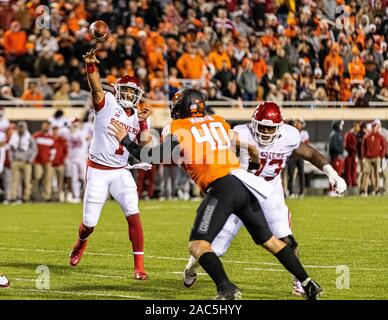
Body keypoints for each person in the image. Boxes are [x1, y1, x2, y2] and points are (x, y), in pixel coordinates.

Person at [110, 89, 323, 300]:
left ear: (180, 108)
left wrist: (125, 140)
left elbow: (150, 156)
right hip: (243, 183)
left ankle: (226, 287)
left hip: (221, 187)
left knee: (197, 245)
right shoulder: (219, 122)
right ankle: (308, 283)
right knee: (270, 240)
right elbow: (247, 145)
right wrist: (255, 159)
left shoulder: (177, 127)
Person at [181, 102, 346, 297]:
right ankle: (191, 266)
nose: (266, 131)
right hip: (239, 185)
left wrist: (332, 173)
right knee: (214, 246)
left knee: (285, 238)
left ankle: (300, 281)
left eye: (271, 127)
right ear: (253, 123)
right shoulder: (240, 133)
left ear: (280, 126)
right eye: (262, 126)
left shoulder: (289, 135)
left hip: (270, 189)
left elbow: (309, 153)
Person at [69, 48, 151, 280]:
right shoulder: (108, 103)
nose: (127, 95)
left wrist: (144, 124)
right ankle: (81, 242)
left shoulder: (139, 115)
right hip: (97, 170)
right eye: (123, 90)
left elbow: (145, 148)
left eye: (131, 92)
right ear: (116, 91)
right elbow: (96, 88)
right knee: (89, 223)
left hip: (121, 171)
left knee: (133, 213)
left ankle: (139, 266)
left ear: (137, 95)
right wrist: (91, 66)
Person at [8, 121, 36, 204]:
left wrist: (30, 159)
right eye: (19, 127)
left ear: (25, 127)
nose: (21, 128)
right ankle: (13, 197)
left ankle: (26, 198)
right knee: (14, 181)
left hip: (26, 162)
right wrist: (11, 159)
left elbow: (34, 149)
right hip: (16, 161)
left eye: (22, 127)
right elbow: (10, 149)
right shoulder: (14, 136)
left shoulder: (29, 137)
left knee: (27, 181)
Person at [66, 118, 90, 203]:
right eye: (74, 122)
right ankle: (76, 196)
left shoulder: (84, 132)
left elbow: (89, 137)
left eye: (77, 122)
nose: (75, 124)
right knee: (74, 178)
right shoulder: (68, 133)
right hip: (72, 159)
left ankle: (88, 196)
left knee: (85, 178)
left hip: (82, 158)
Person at [360, 121, 387, 196]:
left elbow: (384, 146)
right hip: (368, 158)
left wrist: (381, 155)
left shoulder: (380, 136)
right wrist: (363, 157)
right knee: (366, 174)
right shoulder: (367, 136)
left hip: (376, 158)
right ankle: (364, 190)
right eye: (373, 127)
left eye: (376, 127)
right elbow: (363, 147)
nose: (374, 128)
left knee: (376, 174)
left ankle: (377, 190)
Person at [32, 120, 55, 202]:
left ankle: (47, 196)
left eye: (47, 126)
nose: (46, 127)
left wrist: (51, 159)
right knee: (37, 177)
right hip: (37, 161)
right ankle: (34, 195)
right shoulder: (36, 135)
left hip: (47, 161)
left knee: (48, 179)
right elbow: (32, 148)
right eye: (45, 125)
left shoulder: (51, 137)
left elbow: (53, 150)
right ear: (42, 126)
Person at [287, 118, 308, 198]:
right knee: (291, 175)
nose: (299, 124)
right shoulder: (291, 132)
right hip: (292, 155)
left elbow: (306, 144)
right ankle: (291, 192)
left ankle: (302, 192)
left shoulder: (304, 133)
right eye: (298, 123)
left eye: (300, 123)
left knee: (301, 174)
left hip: (300, 156)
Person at [328, 120, 345, 196]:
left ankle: (337, 190)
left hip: (338, 157)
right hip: (335, 157)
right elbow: (333, 147)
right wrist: (340, 151)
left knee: (338, 174)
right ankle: (332, 190)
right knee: (334, 174)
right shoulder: (334, 135)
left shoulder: (337, 134)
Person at [52, 126, 68, 202]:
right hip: (51, 164)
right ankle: (53, 196)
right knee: (53, 182)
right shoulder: (50, 139)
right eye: (54, 130)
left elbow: (65, 151)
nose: (55, 132)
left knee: (60, 181)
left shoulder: (62, 140)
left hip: (60, 164)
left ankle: (59, 196)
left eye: (56, 130)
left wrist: (61, 160)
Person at [344, 121, 360, 190]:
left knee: (354, 169)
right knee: (349, 169)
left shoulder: (357, 135)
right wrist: (354, 149)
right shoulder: (350, 135)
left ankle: (353, 182)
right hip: (350, 154)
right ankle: (349, 182)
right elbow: (347, 145)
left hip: (355, 155)